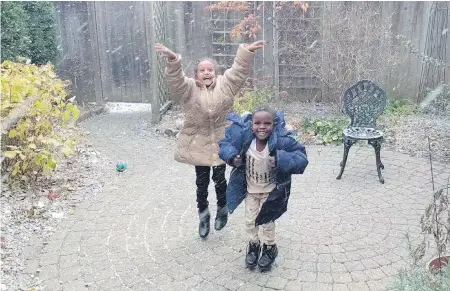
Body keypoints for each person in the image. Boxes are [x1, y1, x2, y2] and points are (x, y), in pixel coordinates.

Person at [155, 41, 266, 238]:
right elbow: (176, 80)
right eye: (202, 70)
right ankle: (204, 216)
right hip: (198, 143)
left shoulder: (225, 85)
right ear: (196, 74)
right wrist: (173, 60)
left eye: (210, 70)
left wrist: (246, 53)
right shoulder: (188, 88)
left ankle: (222, 209)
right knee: (201, 182)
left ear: (215, 72)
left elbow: (238, 72)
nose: (207, 73)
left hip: (222, 143)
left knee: (220, 180)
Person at [219, 106, 308, 271]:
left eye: (267, 123)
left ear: (274, 125)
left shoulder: (281, 140)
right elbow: (225, 144)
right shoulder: (245, 139)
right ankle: (253, 244)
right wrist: (232, 157)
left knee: (267, 223)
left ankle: (269, 247)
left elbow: (301, 157)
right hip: (250, 191)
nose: (262, 127)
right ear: (251, 124)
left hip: (271, 191)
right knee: (250, 221)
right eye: (257, 123)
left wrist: (281, 159)